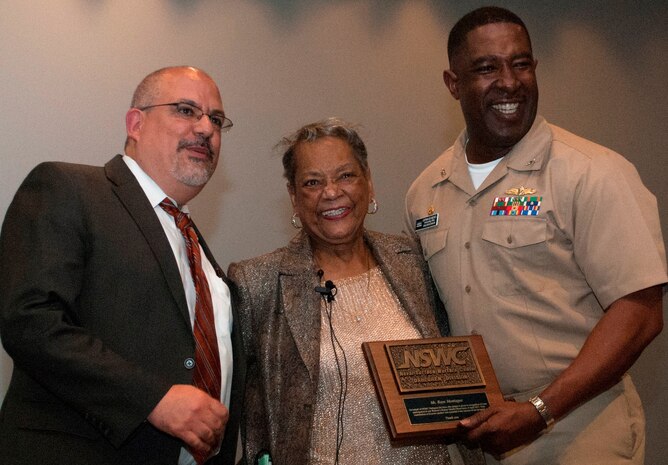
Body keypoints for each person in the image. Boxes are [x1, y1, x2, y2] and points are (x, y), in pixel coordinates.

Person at [405, 6, 666, 465]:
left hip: (580, 428)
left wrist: (539, 410)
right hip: (482, 435)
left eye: (520, 64)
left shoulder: (592, 173)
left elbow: (641, 312)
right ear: (453, 84)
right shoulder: (425, 192)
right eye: (487, 68)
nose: (508, 81)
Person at [0, 66, 244, 465]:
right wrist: (153, 399)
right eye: (186, 110)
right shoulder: (68, 188)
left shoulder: (194, 244)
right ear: (136, 123)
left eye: (216, 119)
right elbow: (31, 321)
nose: (205, 128)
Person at [228, 118, 484, 465]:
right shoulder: (258, 282)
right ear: (293, 196)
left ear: (368, 182)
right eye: (312, 182)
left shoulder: (412, 261)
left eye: (345, 175)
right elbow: (248, 416)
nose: (331, 192)